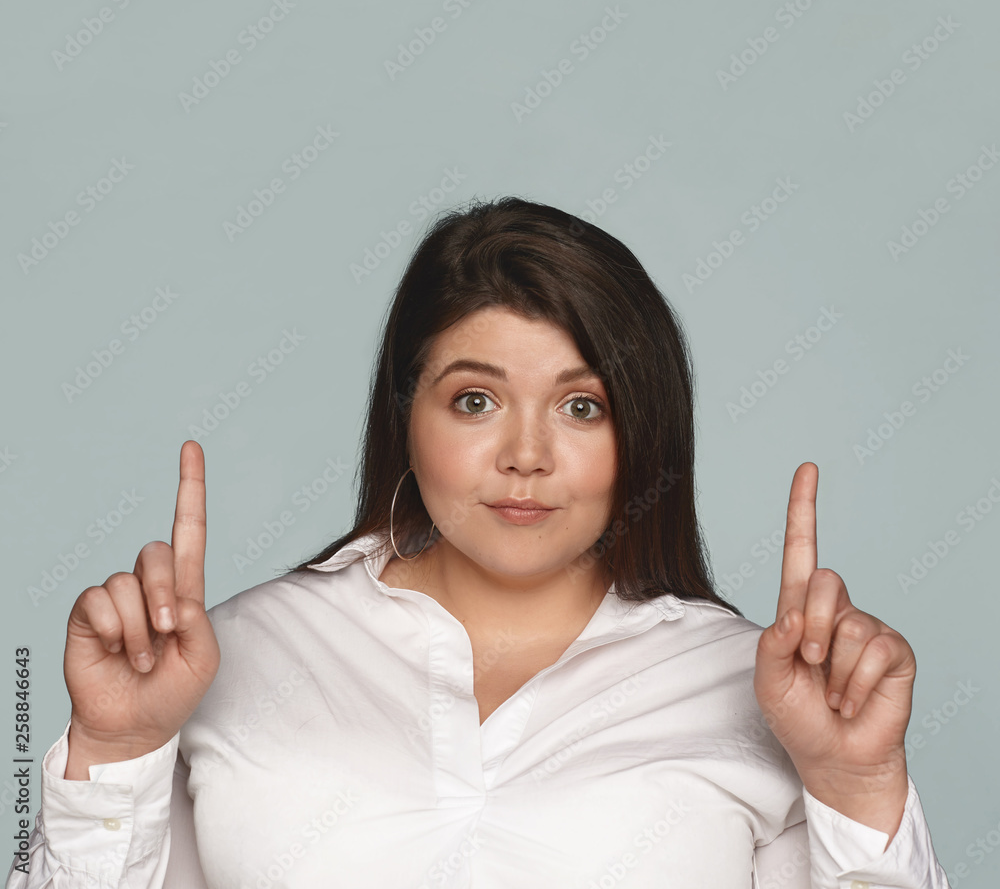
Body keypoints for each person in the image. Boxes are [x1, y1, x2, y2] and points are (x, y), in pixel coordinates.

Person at [7, 197, 949, 888]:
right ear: (405, 417)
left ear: (643, 435)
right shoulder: (230, 660)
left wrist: (856, 784)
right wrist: (114, 747)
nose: (527, 457)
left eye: (582, 407)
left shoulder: (754, 691)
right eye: (475, 401)